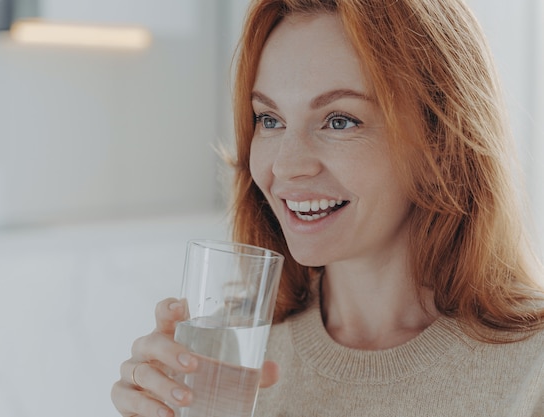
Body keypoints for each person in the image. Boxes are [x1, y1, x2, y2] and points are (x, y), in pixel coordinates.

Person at [111, 0, 544, 415]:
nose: (286, 165)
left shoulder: (531, 371)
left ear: (441, 142)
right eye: (270, 120)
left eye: (339, 120)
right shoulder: (225, 359)